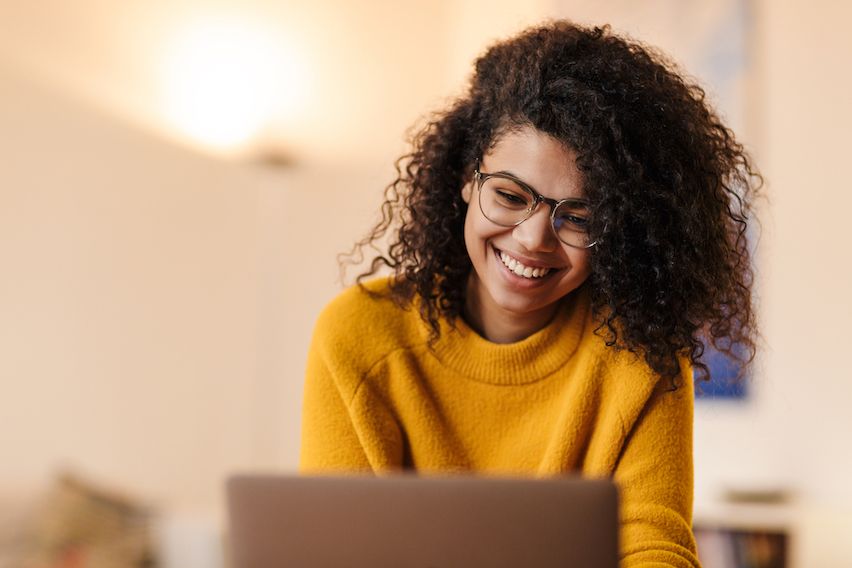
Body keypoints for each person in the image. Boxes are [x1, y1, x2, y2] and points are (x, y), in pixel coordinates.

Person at [299, 20, 760, 567]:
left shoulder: (643, 357)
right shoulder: (358, 335)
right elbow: (333, 552)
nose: (533, 238)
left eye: (579, 217)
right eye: (511, 195)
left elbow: (655, 547)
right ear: (467, 181)